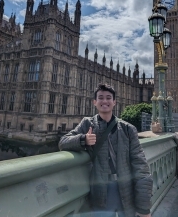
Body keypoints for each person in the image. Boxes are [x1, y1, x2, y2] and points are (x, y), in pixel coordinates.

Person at [59, 83, 153, 217]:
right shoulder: (87, 124)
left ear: (114, 102)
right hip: (100, 192)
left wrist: (144, 207)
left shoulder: (128, 129)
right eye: (101, 98)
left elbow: (141, 167)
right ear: (94, 102)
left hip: (126, 190)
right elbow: (63, 142)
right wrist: (83, 139)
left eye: (108, 98)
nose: (104, 101)